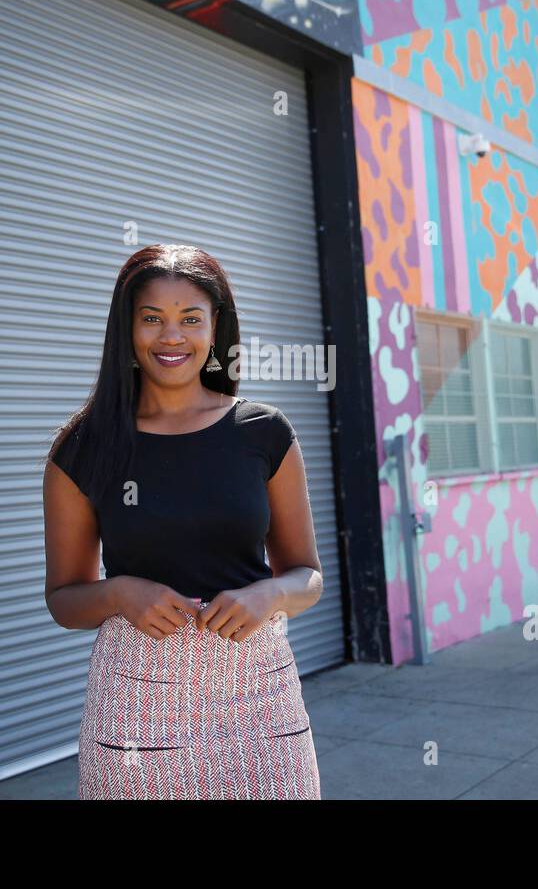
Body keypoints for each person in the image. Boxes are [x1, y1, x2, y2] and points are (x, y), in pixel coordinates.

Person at [43, 243, 323, 799]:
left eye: (190, 319)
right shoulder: (82, 449)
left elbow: (307, 575)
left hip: (259, 698)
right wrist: (122, 593)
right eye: (152, 319)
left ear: (215, 327)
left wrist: (269, 596)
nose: (172, 337)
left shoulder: (263, 434)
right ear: (126, 329)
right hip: (135, 706)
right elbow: (65, 599)